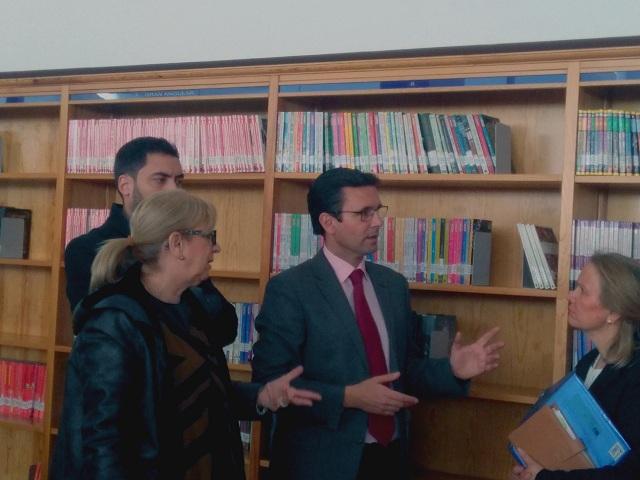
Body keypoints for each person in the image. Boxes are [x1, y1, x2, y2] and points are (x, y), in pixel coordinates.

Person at [251, 167, 504, 480]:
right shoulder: (290, 289)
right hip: (320, 463)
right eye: (364, 214)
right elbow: (271, 382)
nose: (378, 222)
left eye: (378, 211)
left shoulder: (392, 285)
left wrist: (452, 370)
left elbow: (404, 370)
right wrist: (347, 396)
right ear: (328, 222)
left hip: (389, 458)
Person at [51, 189, 321, 480]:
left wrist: (263, 396)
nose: (215, 249)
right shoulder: (113, 323)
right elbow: (103, 443)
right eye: (209, 236)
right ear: (177, 243)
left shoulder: (195, 308)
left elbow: (200, 393)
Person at [511, 252, 640, 480]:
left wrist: (543, 478)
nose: (571, 296)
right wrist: (531, 469)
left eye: (583, 291)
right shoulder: (588, 362)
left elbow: (630, 474)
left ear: (614, 312)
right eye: (575, 287)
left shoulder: (635, 378)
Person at [65, 136, 185, 311]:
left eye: (179, 181)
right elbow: (101, 324)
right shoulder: (85, 248)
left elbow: (224, 327)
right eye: (160, 180)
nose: (175, 191)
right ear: (125, 185)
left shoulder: (182, 241)